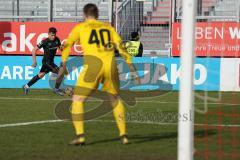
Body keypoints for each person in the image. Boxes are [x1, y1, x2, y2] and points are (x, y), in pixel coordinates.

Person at [61, 3, 140, 146]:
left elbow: (67, 45)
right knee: (115, 99)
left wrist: (64, 63)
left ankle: (80, 136)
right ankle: (123, 135)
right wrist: (132, 68)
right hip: (110, 66)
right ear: (97, 15)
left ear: (84, 15)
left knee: (78, 100)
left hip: (93, 67)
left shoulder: (80, 27)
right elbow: (121, 48)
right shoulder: (108, 28)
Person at [23, 27, 65, 96]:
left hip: (51, 62)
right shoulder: (45, 41)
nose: (53, 37)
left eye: (54, 35)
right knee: (61, 73)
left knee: (41, 75)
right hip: (46, 62)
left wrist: (64, 47)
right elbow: (34, 50)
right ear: (48, 34)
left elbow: (61, 48)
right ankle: (56, 89)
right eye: (52, 35)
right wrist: (34, 61)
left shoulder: (57, 40)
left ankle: (26, 86)